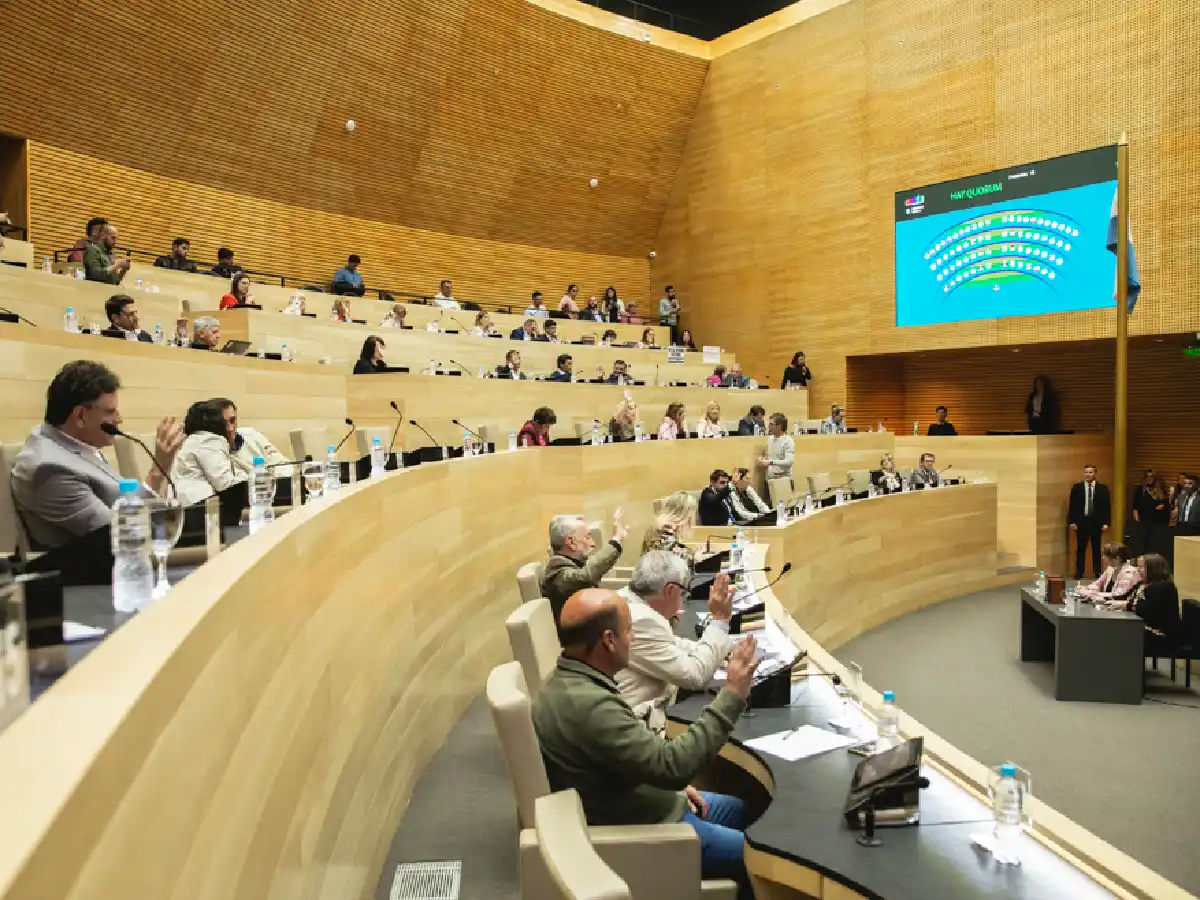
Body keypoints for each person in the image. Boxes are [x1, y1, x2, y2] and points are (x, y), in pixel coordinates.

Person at [532, 588, 757, 898]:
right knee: (762, 860)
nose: (634, 638)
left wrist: (673, 789)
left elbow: (635, 758)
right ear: (609, 641)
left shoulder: (572, 681)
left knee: (744, 809)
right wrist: (732, 693)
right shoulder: (590, 706)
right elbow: (673, 766)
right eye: (629, 630)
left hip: (647, 801)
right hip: (648, 829)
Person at [10, 360, 184, 551]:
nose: (119, 419)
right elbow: (120, 536)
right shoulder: (50, 469)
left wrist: (160, 469)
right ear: (80, 416)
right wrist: (158, 469)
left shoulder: (71, 441)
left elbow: (128, 505)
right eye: (110, 412)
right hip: (94, 565)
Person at [617, 554, 736, 734]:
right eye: (682, 594)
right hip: (632, 731)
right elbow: (696, 675)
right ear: (670, 590)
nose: (682, 601)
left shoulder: (625, 598)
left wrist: (720, 652)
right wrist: (720, 620)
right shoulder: (641, 619)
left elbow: (670, 643)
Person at [171, 397, 291, 507]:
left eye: (232, 421)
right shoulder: (208, 442)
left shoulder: (251, 435)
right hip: (201, 510)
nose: (229, 428)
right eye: (223, 423)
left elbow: (284, 465)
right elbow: (229, 486)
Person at [540, 510, 627, 619]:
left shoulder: (572, 562)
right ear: (571, 542)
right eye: (587, 537)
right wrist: (616, 541)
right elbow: (585, 577)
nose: (593, 544)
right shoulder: (557, 572)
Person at [1106, 554, 1181, 656]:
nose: (1138, 569)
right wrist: (1106, 599)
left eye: (1141, 567)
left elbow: (1151, 609)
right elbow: (1125, 597)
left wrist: (1127, 605)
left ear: (1153, 569)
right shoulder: (1142, 583)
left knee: (1119, 634)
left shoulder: (1165, 586)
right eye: (1138, 566)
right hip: (1143, 627)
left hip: (1161, 633)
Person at [1068, 464, 1111, 579]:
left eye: (1090, 472)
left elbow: (1107, 507)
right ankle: (1079, 572)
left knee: (1096, 548)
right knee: (1081, 548)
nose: (1088, 474)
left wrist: (1106, 522)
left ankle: (1097, 572)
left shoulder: (1103, 488)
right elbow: (1072, 506)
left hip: (1096, 522)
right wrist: (1072, 521)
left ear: (1095, 474)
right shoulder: (1077, 488)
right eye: (1086, 472)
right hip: (1082, 522)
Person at [641, 492, 697, 569]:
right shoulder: (666, 531)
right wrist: (694, 557)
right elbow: (671, 562)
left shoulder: (659, 527)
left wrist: (690, 552)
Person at [1131, 470, 1169, 556]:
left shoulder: (1160, 490)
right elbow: (1135, 507)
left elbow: (1165, 505)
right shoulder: (1140, 490)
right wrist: (1137, 521)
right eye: (1148, 476)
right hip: (1144, 521)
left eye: (1152, 476)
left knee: (1155, 545)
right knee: (1143, 545)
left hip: (1158, 523)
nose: (1149, 478)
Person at [759, 413, 794, 482]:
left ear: (779, 426)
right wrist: (763, 460)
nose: (769, 427)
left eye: (771, 424)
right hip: (769, 478)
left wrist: (771, 462)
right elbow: (769, 457)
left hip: (783, 480)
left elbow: (789, 461)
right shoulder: (770, 439)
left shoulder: (788, 441)